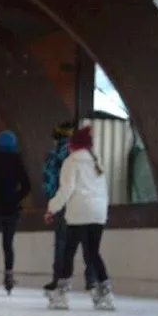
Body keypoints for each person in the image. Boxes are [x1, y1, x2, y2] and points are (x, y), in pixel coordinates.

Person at [45, 126, 113, 310]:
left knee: (69, 251)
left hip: (79, 212)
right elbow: (104, 191)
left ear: (73, 146)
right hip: (98, 213)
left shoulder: (71, 162)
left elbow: (66, 190)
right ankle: (105, 292)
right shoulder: (96, 162)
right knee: (93, 253)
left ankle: (61, 293)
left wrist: (52, 208)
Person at [43, 121, 97, 292]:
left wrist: (52, 204)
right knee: (88, 243)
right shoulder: (88, 156)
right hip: (84, 203)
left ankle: (59, 279)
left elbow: (49, 182)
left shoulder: (54, 156)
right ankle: (92, 279)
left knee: (62, 243)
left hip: (63, 204)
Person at [0, 130, 31, 294]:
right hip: (10, 210)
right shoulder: (17, 161)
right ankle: (8, 277)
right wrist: (15, 198)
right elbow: (27, 186)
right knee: (8, 245)